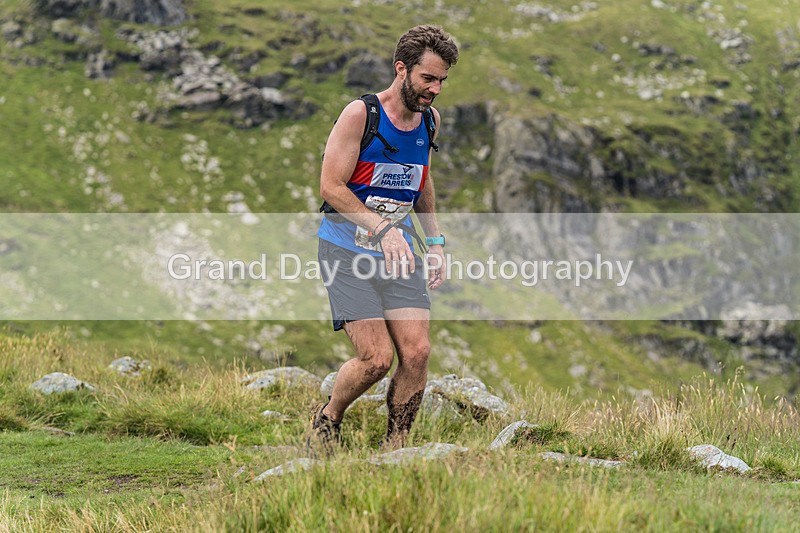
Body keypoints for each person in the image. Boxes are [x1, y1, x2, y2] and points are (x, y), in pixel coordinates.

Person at [311, 25, 459, 453]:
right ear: (402, 69)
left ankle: (395, 451)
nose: (435, 89)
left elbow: (422, 183)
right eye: (428, 78)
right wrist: (382, 227)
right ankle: (328, 418)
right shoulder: (362, 114)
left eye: (442, 80)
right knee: (377, 360)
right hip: (345, 249)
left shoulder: (429, 120)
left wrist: (435, 244)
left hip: (398, 254)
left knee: (417, 353)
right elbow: (331, 187)